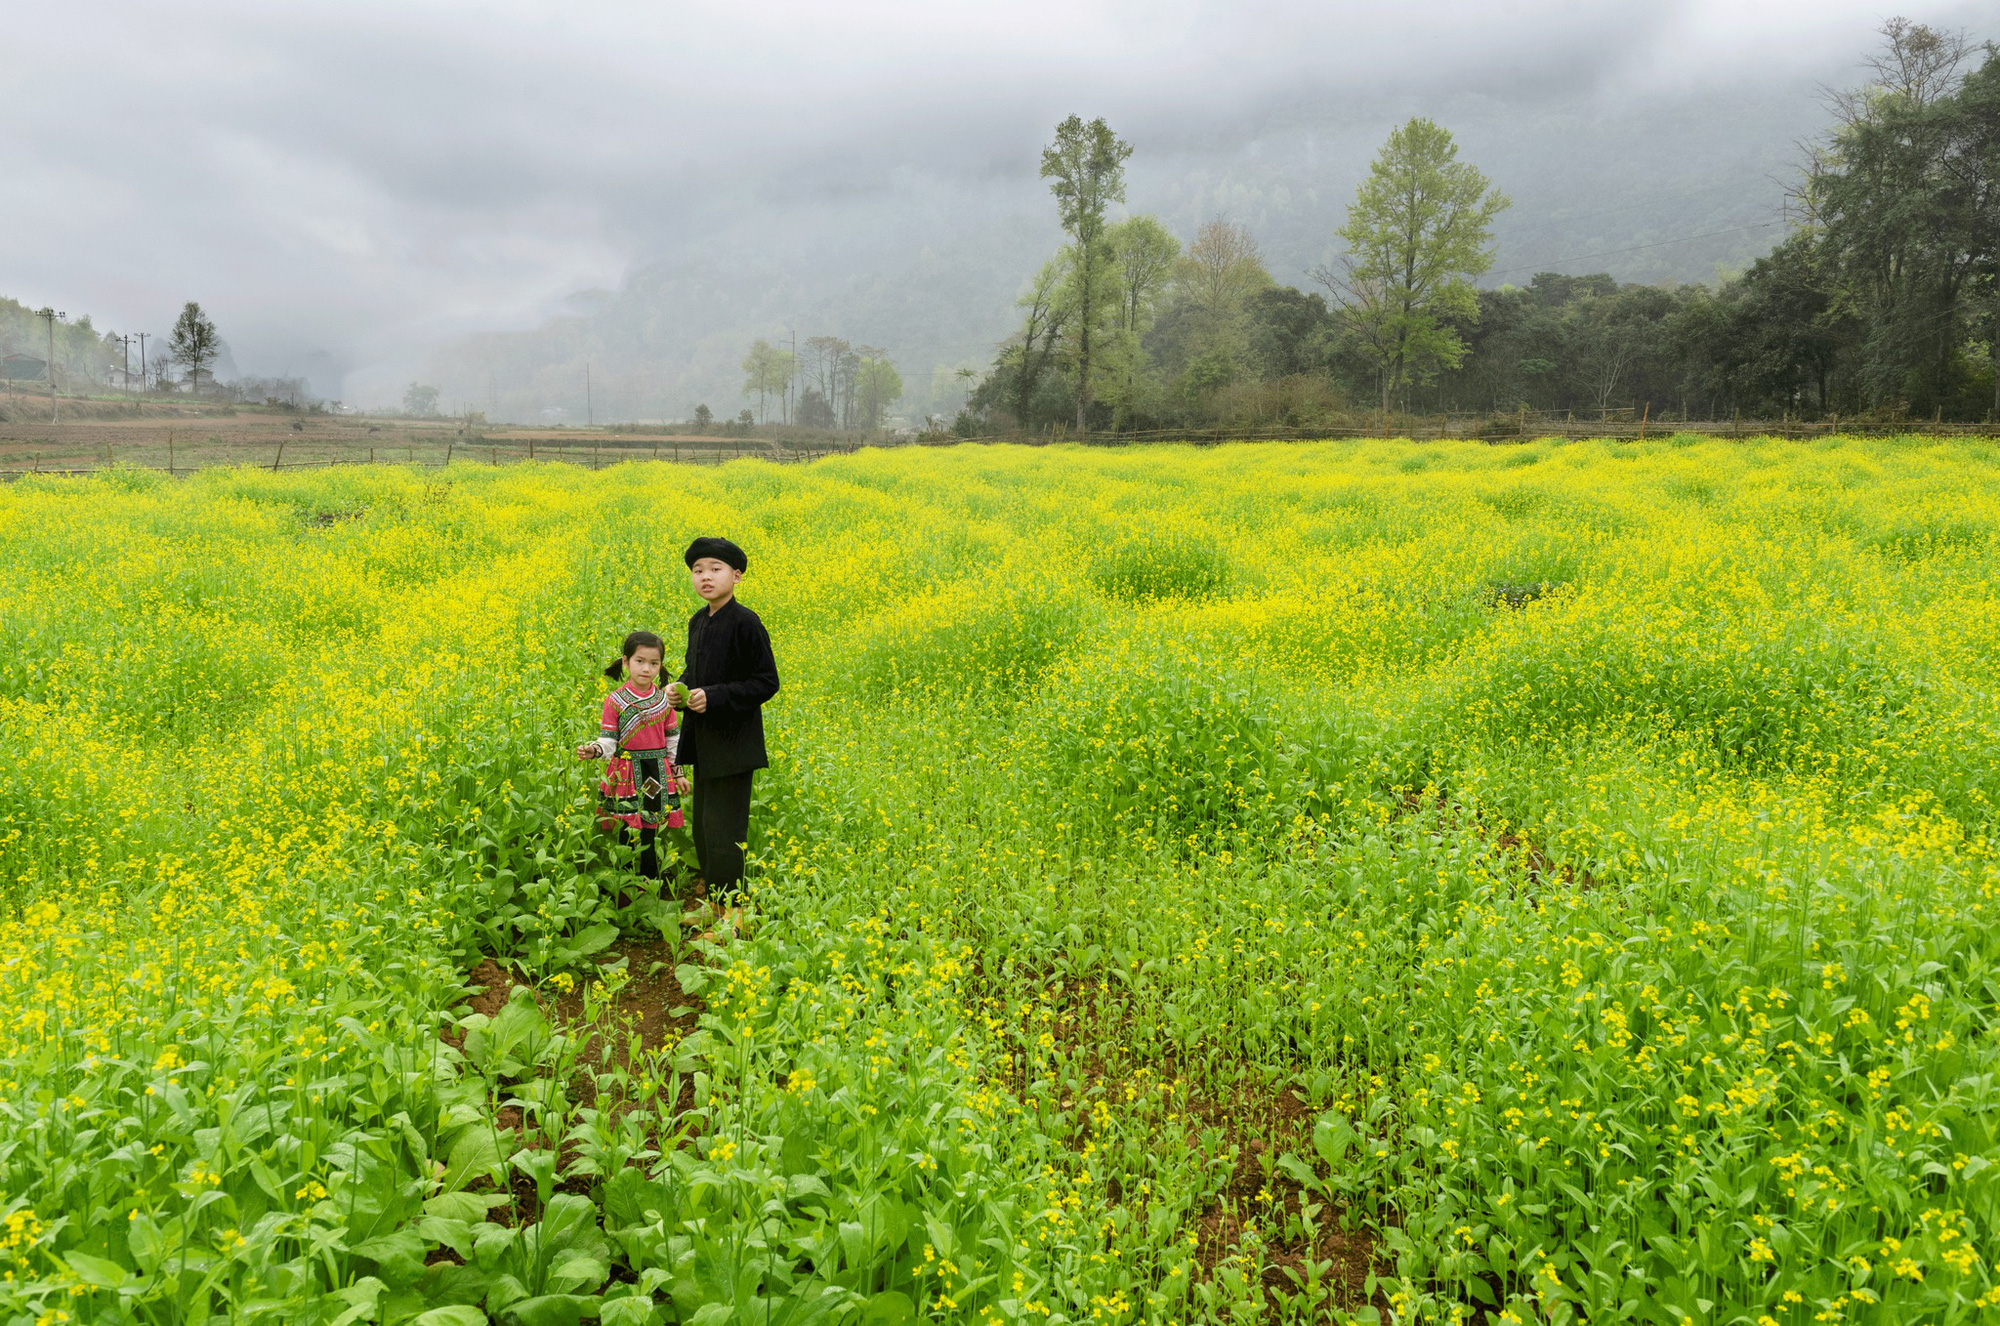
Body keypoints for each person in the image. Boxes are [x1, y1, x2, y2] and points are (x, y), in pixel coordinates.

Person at [673, 536, 779, 929]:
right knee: (703, 828)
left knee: (724, 832)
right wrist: (680, 690)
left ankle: (734, 913)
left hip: (734, 745)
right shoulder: (699, 621)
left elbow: (767, 682)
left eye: (715, 569)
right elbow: (694, 673)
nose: (705, 577)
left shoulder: (746, 622)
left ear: (736, 575)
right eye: (698, 570)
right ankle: (714, 903)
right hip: (703, 741)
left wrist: (713, 697)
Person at [576, 630, 685, 881]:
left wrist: (678, 774)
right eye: (640, 661)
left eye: (654, 663)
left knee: (651, 825)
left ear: (660, 666)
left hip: (656, 771)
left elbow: (672, 741)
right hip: (625, 772)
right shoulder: (614, 701)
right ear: (625, 662)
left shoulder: (664, 700)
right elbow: (608, 740)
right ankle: (624, 881)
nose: (646, 669)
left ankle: (651, 876)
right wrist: (594, 750)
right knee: (626, 825)